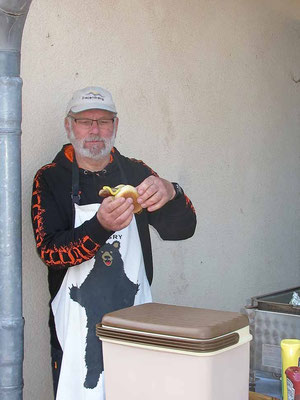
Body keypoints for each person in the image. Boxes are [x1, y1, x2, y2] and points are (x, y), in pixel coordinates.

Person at [31, 86, 196, 400]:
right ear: (69, 126)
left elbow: (182, 229)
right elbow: (50, 252)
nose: (95, 130)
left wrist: (172, 191)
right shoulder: (50, 178)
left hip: (137, 324)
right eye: (85, 121)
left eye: (104, 121)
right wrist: (100, 227)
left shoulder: (136, 173)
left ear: (116, 126)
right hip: (76, 329)